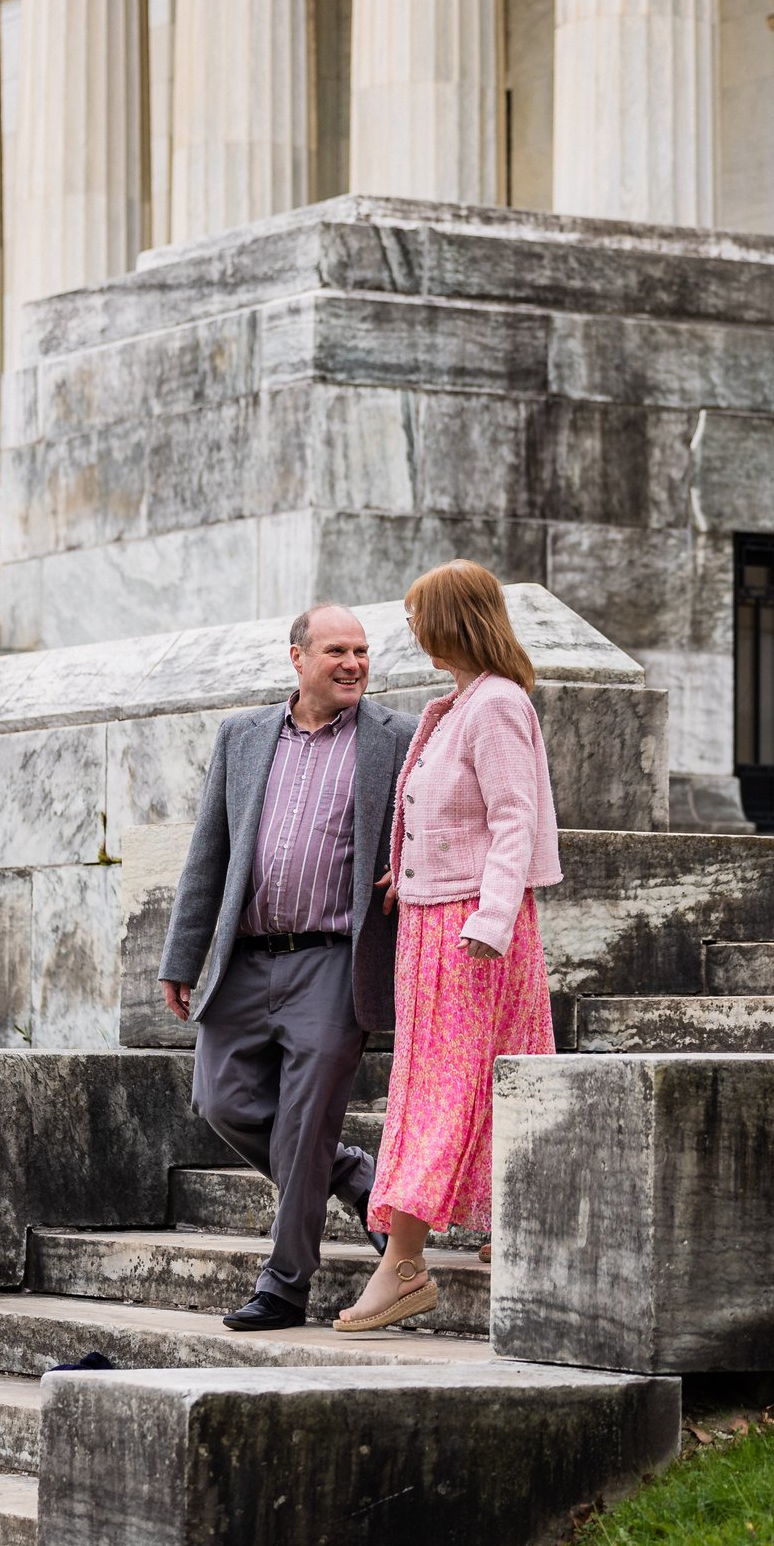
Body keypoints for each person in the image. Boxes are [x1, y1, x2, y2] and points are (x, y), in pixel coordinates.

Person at [160, 603, 418, 1331]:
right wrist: (182, 956)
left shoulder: (396, 737)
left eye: (364, 652)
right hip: (244, 958)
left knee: (306, 1124)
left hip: (336, 961)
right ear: (297, 657)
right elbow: (208, 852)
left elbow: (432, 821)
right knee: (220, 1100)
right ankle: (361, 1182)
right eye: (337, 649)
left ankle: (285, 1283)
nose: (354, 664)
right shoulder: (242, 735)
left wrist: (417, 870)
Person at [338, 559, 561, 1334]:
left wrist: (490, 920)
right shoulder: (461, 704)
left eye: (418, 616)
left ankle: (403, 1264)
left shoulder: (496, 705)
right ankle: (512, 1226)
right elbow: (449, 814)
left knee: (436, 1093)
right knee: (450, 1085)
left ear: (454, 619)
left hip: (473, 933)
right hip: (435, 924)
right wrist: (409, 874)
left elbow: (513, 817)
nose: (411, 632)